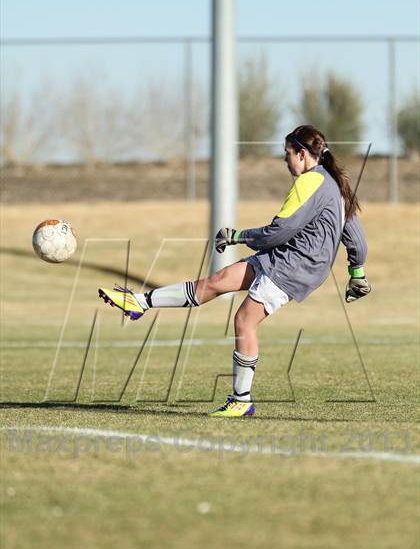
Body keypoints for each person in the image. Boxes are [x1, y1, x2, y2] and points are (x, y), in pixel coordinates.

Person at [98, 125, 371, 418]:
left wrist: (238, 236)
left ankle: (241, 400)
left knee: (243, 321)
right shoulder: (336, 184)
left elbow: (279, 231)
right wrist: (357, 273)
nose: (285, 160)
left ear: (302, 154)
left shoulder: (309, 183)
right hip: (286, 257)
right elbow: (356, 237)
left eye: (287, 154)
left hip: (295, 266)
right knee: (217, 281)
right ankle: (140, 303)